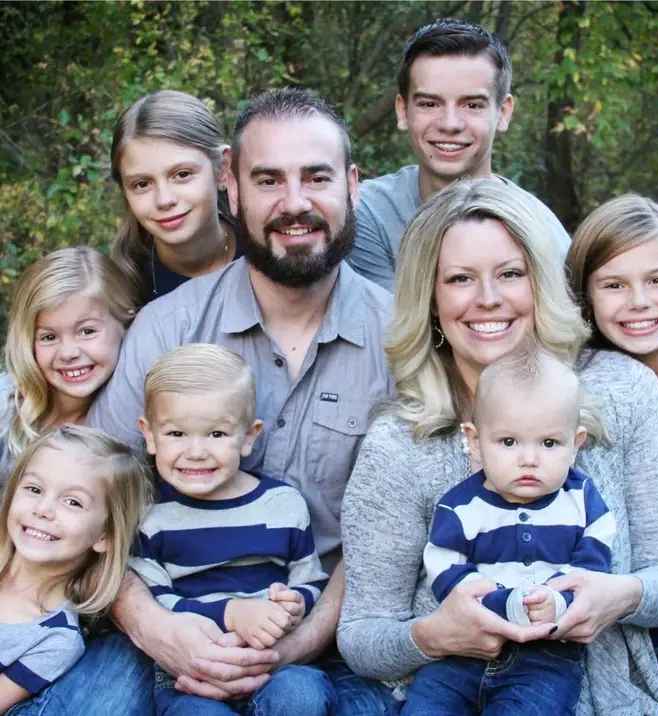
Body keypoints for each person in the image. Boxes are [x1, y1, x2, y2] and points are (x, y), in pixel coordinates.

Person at [14, 87, 392, 715]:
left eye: (316, 177)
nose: (294, 203)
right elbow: (100, 496)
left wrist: (302, 639)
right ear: (232, 187)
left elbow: (392, 528)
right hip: (170, 620)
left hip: (330, 632)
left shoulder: (401, 338)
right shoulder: (164, 328)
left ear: (352, 184)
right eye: (268, 179)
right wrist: (156, 629)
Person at [339, 177, 658, 715]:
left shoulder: (622, 392)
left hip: (610, 700)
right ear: (431, 300)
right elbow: (362, 635)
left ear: (541, 283)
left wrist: (620, 595)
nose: (488, 298)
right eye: (460, 278)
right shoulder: (400, 443)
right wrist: (437, 635)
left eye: (511, 274)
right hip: (455, 697)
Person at [402, 347, 615, 715]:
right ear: (474, 441)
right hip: (462, 652)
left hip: (546, 658)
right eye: (508, 442)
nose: (529, 458)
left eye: (549, 443)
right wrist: (500, 603)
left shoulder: (581, 500)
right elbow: (447, 568)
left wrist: (558, 600)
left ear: (575, 444)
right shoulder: (461, 507)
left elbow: (593, 565)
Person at [567, 194, 658, 715]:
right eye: (613, 285)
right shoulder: (574, 396)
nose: (638, 301)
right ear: (584, 296)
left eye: (657, 280)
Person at [132, 344, 333, 715]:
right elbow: (159, 602)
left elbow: (312, 579)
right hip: (191, 672)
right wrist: (231, 614)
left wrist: (294, 605)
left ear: (249, 436)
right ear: (149, 435)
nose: (196, 451)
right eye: (176, 434)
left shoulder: (283, 505)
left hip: (278, 662)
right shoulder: (151, 518)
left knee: (302, 696)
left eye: (217, 434)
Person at [348, 18, 571, 291]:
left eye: (472, 105)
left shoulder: (543, 233)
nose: (450, 123)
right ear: (402, 110)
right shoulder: (367, 212)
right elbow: (387, 327)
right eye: (429, 103)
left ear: (503, 113)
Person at [0, 424, 150, 714]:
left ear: (104, 535)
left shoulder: (56, 638)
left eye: (73, 502)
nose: (43, 509)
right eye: (33, 489)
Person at [0, 247, 136, 483]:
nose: (68, 353)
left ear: (125, 323)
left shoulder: (132, 413)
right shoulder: (7, 407)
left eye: (87, 331)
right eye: (49, 337)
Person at [111, 90, 241, 305]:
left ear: (222, 169)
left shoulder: (268, 252)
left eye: (182, 175)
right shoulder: (122, 294)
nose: (164, 200)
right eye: (142, 184)